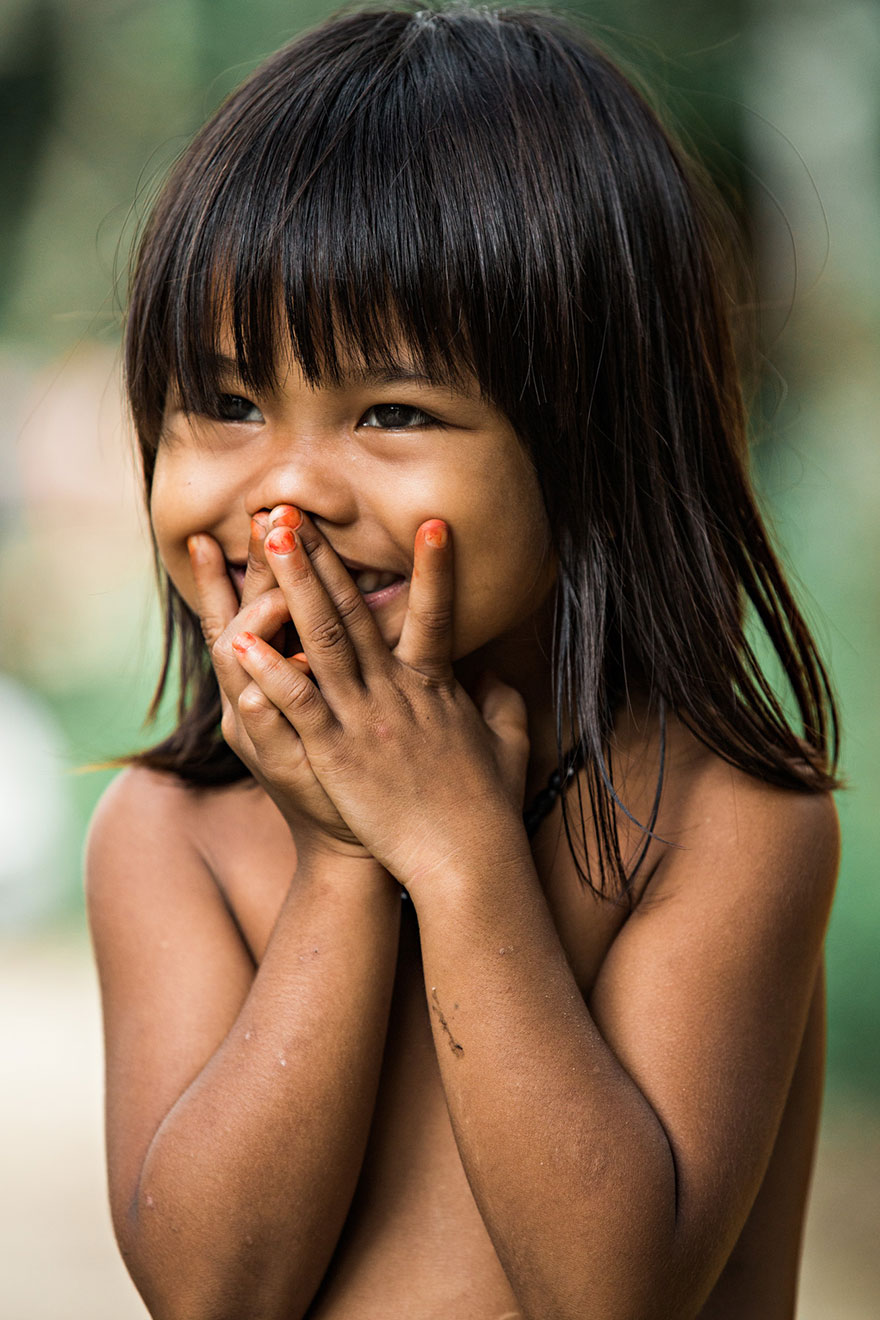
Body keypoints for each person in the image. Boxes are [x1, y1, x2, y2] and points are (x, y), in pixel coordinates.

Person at [85, 6, 842, 1318]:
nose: (288, 496)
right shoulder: (171, 836)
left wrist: (454, 847)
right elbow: (213, 1293)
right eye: (226, 403)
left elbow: (611, 1290)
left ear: (600, 441)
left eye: (391, 412)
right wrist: (344, 862)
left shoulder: (721, 824)